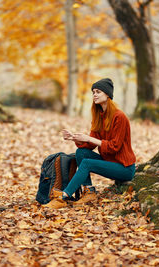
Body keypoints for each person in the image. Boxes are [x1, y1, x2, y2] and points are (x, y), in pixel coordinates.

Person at [44, 78, 136, 209]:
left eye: (98, 91)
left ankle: (63, 196)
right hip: (109, 162)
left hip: (124, 168)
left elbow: (114, 147)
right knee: (81, 152)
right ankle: (89, 191)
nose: (95, 95)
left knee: (87, 163)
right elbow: (90, 145)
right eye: (93, 92)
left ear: (108, 94)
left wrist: (88, 138)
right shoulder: (99, 116)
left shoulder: (119, 117)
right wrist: (74, 138)